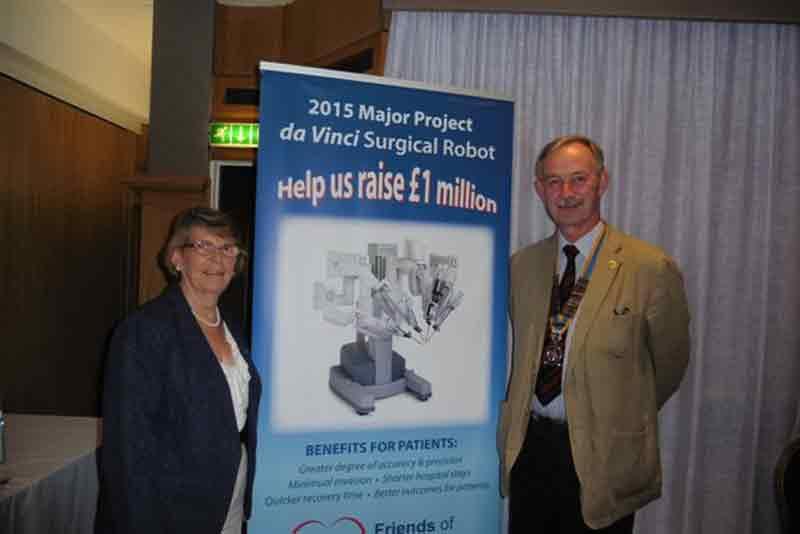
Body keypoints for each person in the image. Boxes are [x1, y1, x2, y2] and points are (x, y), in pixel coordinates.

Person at [497, 135, 691, 533]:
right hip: (532, 450)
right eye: (553, 181)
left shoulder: (649, 268)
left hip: (605, 458)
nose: (566, 193)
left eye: (578, 179)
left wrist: (617, 410)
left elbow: (669, 365)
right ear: (538, 189)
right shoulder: (522, 266)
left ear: (602, 182)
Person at [97, 207, 262, 534]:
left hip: (228, 497)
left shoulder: (233, 328)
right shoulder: (144, 331)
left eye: (227, 248)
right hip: (169, 509)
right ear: (176, 258)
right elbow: (126, 451)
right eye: (203, 246)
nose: (217, 259)